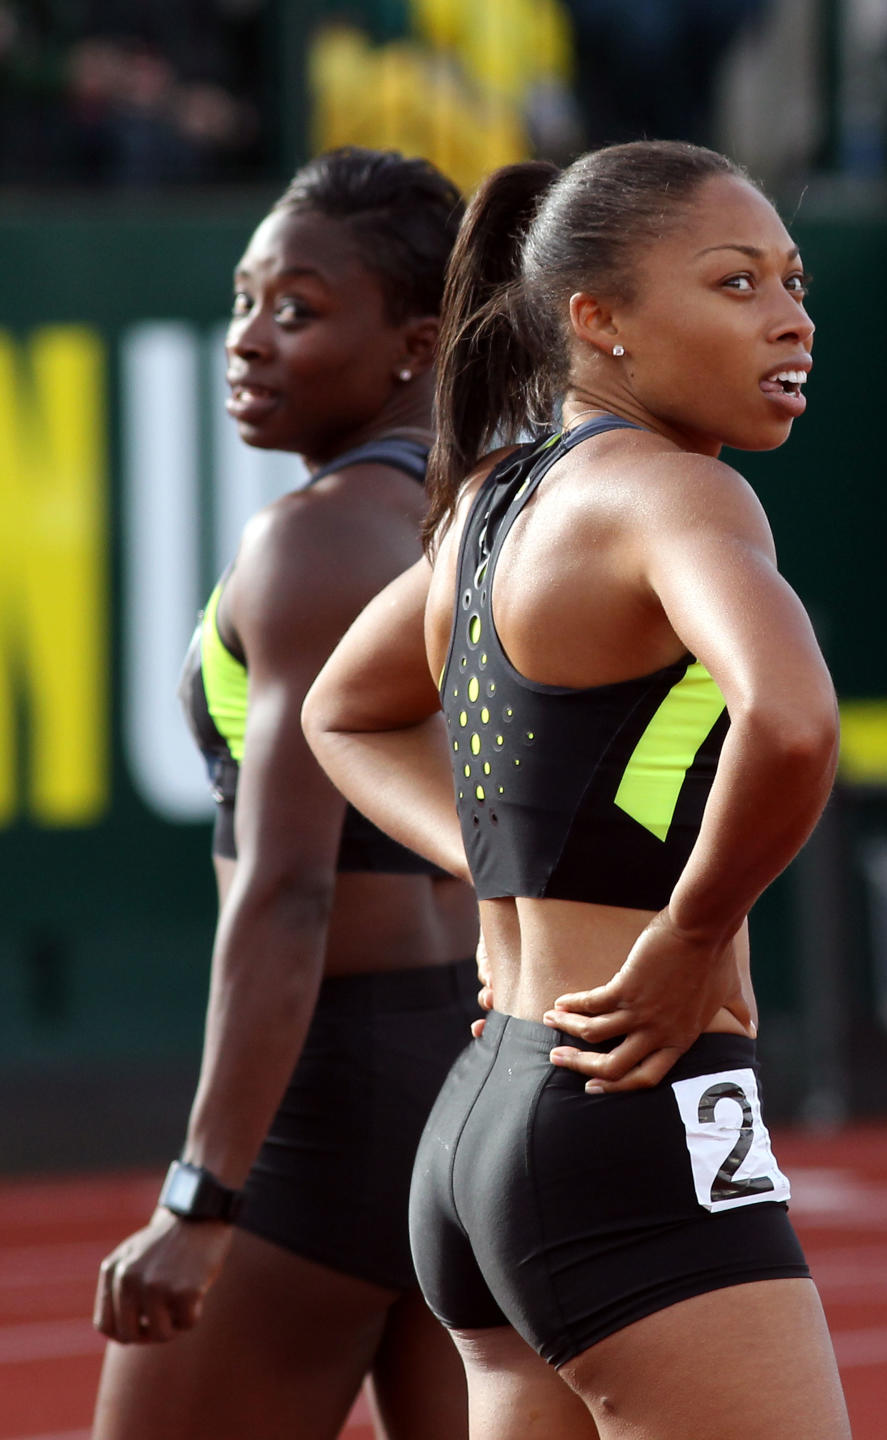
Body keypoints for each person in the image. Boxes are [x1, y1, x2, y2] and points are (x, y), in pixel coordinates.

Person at [301, 140, 853, 1439]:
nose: (790, 315)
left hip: (487, 1111)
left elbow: (346, 710)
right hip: (634, 1112)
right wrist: (693, 936)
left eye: (794, 278)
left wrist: (505, 870)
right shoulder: (675, 495)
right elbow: (793, 719)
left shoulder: (494, 501)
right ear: (594, 322)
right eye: (734, 283)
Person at [92, 147, 479, 1440]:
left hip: (336, 1099)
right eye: (246, 300)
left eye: (297, 310)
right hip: (477, 1085)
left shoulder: (314, 539)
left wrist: (203, 1199)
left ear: (418, 343)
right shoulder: (504, 514)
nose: (248, 341)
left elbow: (290, 892)